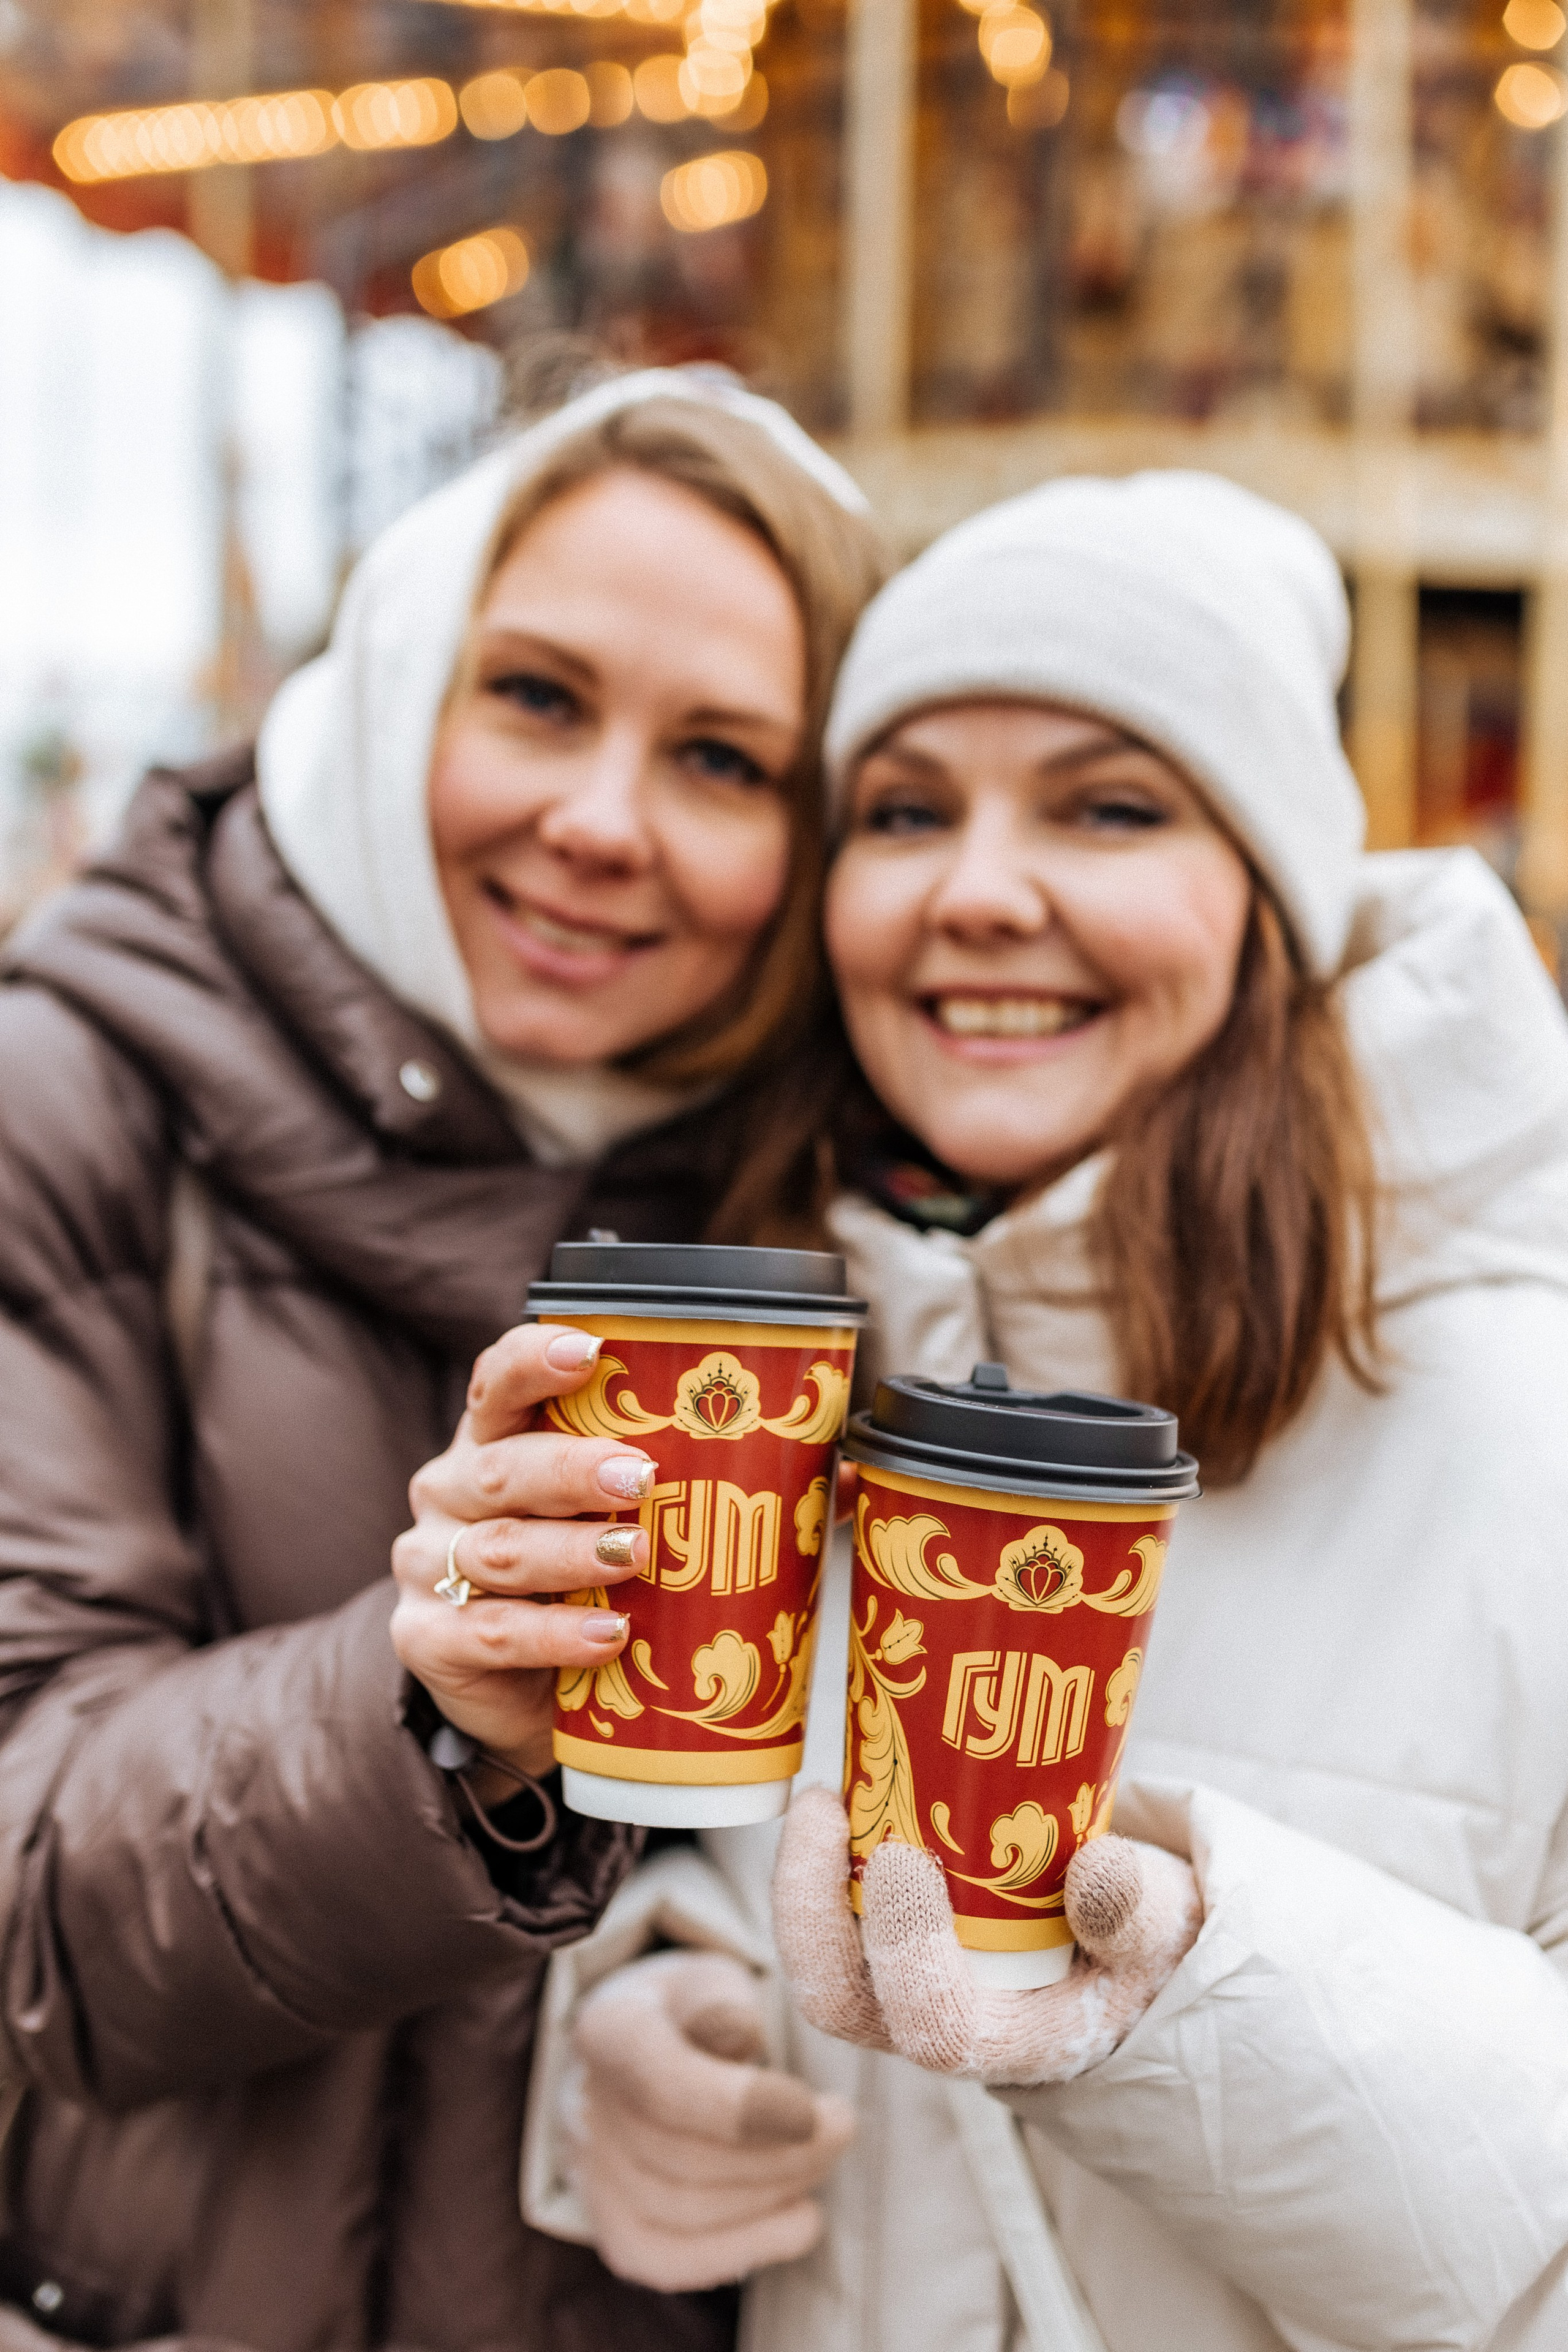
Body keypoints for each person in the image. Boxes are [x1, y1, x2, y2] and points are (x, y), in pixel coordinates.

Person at [521, 473, 1568, 2351]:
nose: (978, 891)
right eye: (906, 811)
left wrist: (1188, 2001)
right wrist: (655, 1995)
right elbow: (737, 1857)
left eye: (1109, 806)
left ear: (1271, 897)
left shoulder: (1528, 1415)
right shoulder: (789, 1356)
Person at [0, 366, 884, 2352]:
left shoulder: (816, 1194)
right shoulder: (71, 1097)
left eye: (727, 762)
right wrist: (421, 1711)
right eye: (538, 698)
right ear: (401, 674)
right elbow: (26, 1891)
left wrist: (680, 1950)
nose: (599, 825)